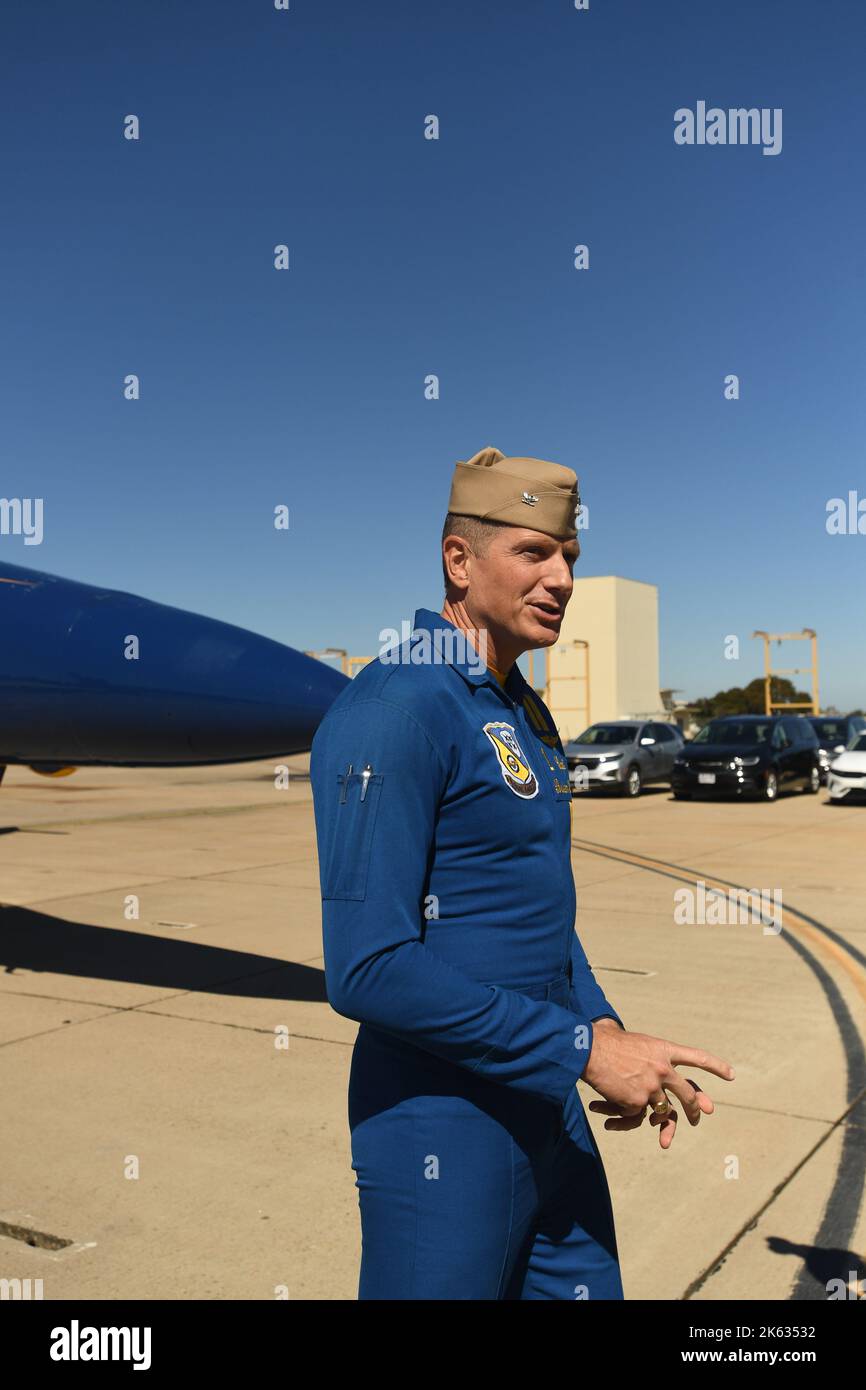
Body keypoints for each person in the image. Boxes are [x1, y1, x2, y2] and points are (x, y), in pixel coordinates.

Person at [310, 445, 735, 1300]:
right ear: (459, 561)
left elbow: (532, 906)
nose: (564, 578)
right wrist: (578, 1049)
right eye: (533, 552)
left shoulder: (519, 707)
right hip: (445, 1129)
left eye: (569, 556)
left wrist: (602, 1029)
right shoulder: (394, 708)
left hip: (547, 1108)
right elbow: (367, 968)